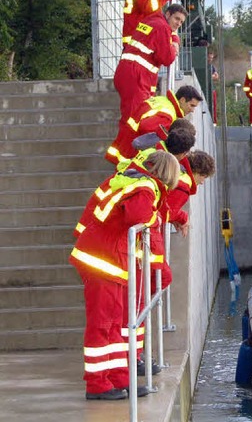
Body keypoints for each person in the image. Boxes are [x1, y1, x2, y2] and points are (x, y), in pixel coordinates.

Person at [69, 151, 180, 400]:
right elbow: (138, 217)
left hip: (110, 260)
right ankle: (97, 384)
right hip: (102, 260)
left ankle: (119, 378)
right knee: (103, 323)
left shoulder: (138, 183)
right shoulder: (145, 188)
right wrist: (155, 218)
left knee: (117, 323)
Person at [114, 4, 187, 129]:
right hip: (137, 77)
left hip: (129, 73)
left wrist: (174, 38)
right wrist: (175, 47)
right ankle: (129, 147)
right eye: (176, 19)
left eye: (181, 22)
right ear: (168, 14)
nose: (178, 23)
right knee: (135, 120)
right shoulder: (162, 27)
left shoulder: (152, 21)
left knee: (131, 118)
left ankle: (126, 146)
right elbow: (167, 58)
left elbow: (165, 40)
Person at [106, 85, 202, 165]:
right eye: (191, 105)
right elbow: (147, 129)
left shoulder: (162, 101)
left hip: (125, 145)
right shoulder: (168, 114)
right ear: (182, 100)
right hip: (131, 153)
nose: (192, 110)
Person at [208, 51, 219, 125]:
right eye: (209, 57)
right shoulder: (205, 66)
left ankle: (214, 122)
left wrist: (211, 76)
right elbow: (208, 76)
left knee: (214, 106)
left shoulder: (212, 67)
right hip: (207, 89)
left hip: (212, 89)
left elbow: (216, 76)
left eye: (211, 58)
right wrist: (211, 76)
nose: (210, 59)